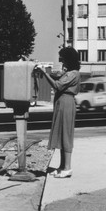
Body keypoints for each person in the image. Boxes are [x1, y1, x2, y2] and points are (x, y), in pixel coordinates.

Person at [35, 47, 81, 178]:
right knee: (61, 134)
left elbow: (58, 85)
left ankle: (67, 168)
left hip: (66, 102)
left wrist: (44, 73)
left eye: (63, 58)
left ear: (68, 59)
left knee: (65, 134)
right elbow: (59, 76)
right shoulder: (69, 73)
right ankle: (62, 167)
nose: (61, 61)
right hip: (62, 102)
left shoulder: (73, 73)